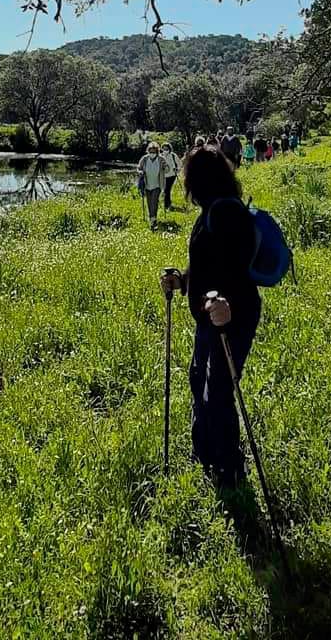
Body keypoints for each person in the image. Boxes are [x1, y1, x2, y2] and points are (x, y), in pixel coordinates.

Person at [161, 147, 261, 489]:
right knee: (199, 380)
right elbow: (208, 265)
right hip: (211, 316)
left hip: (229, 317)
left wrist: (227, 303)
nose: (185, 182)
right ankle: (205, 453)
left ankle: (227, 468)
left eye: (188, 176)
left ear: (199, 179)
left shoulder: (228, 213)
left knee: (216, 389)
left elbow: (236, 268)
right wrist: (183, 280)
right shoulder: (211, 212)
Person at [137, 141, 166, 229]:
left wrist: (165, 167)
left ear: (157, 152)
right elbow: (138, 168)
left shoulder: (161, 159)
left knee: (154, 202)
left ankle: (153, 220)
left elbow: (167, 170)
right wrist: (140, 172)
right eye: (150, 151)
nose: (152, 153)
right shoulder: (145, 159)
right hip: (147, 185)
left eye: (154, 152)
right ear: (148, 151)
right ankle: (151, 218)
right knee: (149, 203)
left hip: (157, 185)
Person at [161, 141, 180, 209]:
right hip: (163, 176)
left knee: (167, 189)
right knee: (166, 190)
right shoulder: (160, 156)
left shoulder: (173, 155)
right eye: (164, 148)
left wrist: (177, 169)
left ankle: (166, 205)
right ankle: (168, 203)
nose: (165, 150)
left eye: (166, 148)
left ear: (169, 148)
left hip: (172, 175)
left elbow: (179, 164)